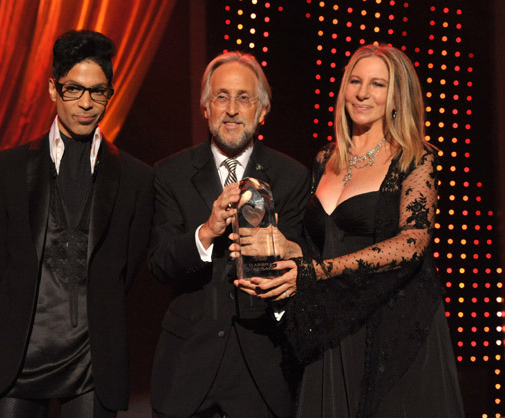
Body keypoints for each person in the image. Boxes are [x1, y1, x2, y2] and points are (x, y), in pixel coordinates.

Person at [234, 44, 464, 417]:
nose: (362, 93)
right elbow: (318, 246)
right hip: (333, 322)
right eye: (355, 81)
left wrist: (314, 272)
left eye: (377, 84)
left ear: (396, 96)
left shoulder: (414, 156)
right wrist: (283, 249)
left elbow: (412, 243)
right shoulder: (327, 157)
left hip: (392, 327)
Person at [0, 30, 154, 417]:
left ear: (110, 93)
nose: (86, 103)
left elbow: (127, 269)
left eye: (98, 91)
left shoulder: (136, 178)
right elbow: (0, 263)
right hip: (18, 355)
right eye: (74, 89)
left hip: (92, 360)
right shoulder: (8, 167)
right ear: (53, 89)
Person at [148, 51, 311, 418]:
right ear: (205, 107)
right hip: (187, 369)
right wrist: (206, 232)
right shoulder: (170, 174)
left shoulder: (292, 177)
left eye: (244, 98)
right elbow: (159, 263)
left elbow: (306, 268)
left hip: (264, 369)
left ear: (262, 110)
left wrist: (284, 250)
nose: (232, 110)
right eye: (221, 97)